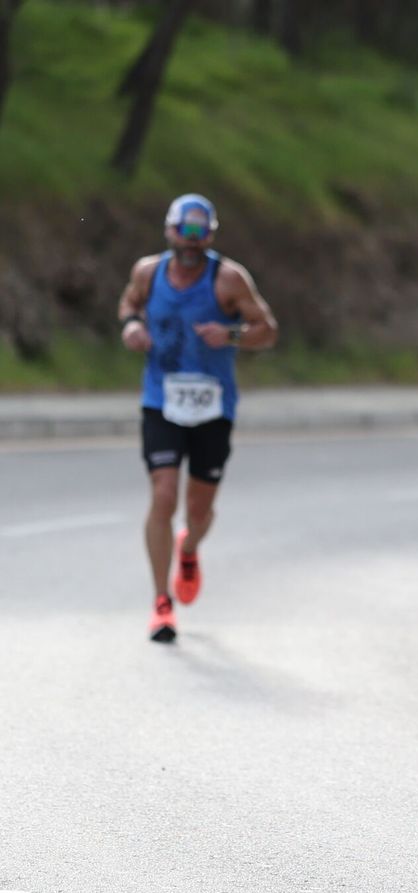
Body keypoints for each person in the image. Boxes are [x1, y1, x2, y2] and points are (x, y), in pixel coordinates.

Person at [116, 194, 278, 643]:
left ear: (210, 236)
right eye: (184, 231)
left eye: (200, 233)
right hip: (161, 401)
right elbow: (128, 305)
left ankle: (188, 549)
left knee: (199, 510)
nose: (191, 241)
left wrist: (231, 334)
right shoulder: (148, 272)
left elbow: (267, 330)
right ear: (169, 231)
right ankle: (161, 603)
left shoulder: (228, 279)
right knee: (163, 494)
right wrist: (132, 327)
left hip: (213, 406)